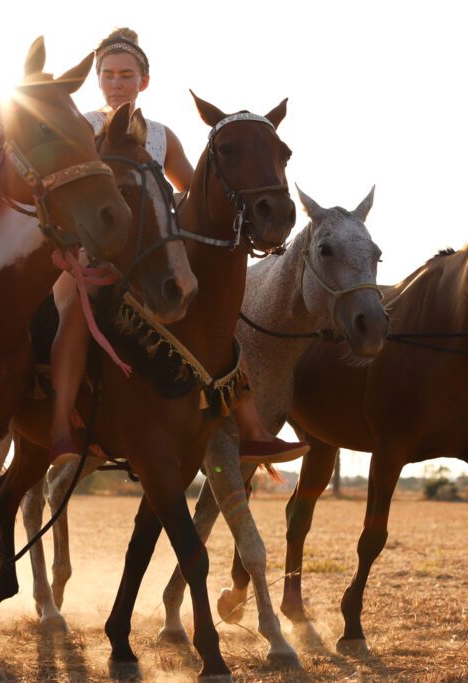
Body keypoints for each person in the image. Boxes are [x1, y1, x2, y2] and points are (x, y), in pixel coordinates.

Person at [48, 28, 308, 467]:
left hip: (150, 256)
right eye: (108, 74)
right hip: (92, 253)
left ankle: (253, 431)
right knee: (77, 307)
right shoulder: (82, 128)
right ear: (98, 80)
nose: (116, 83)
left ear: (143, 81)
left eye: (126, 75)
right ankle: (60, 429)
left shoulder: (161, 136)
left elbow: (190, 191)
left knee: (214, 314)